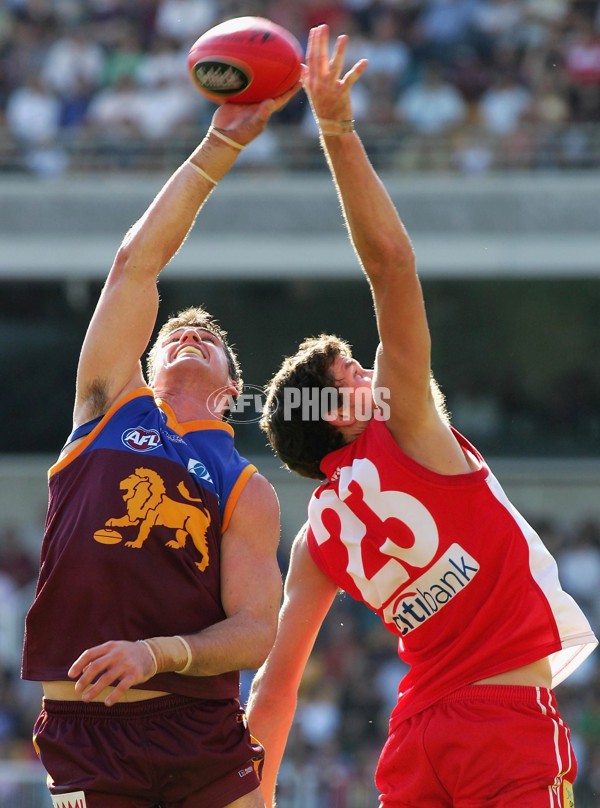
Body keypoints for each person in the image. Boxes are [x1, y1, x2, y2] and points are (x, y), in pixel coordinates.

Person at [246, 25, 598, 808]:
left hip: (414, 742)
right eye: (354, 371)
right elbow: (392, 264)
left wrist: (253, 793)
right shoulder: (403, 425)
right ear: (339, 411)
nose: (373, 369)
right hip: (500, 722)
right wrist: (336, 128)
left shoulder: (315, 540)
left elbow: (275, 685)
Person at [21, 84, 299, 808]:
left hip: (200, 726)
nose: (193, 332)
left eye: (212, 340)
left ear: (232, 393)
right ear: (144, 361)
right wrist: (222, 145)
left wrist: (159, 653)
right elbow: (134, 265)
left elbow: (253, 631)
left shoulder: (246, 487)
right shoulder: (109, 405)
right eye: (178, 331)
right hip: (89, 727)